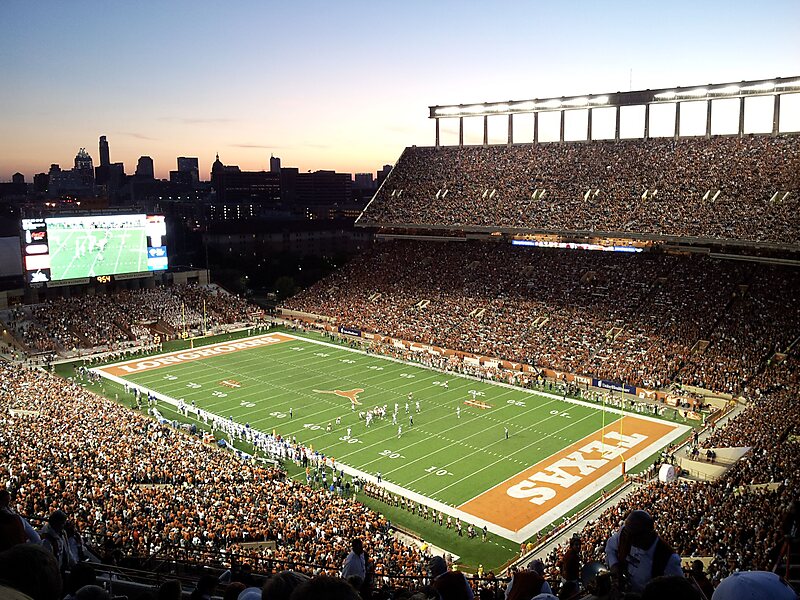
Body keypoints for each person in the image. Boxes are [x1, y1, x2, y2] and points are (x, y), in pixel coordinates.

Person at [605, 510, 683, 594]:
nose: (627, 538)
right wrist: (615, 568)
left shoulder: (668, 559)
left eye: (632, 536)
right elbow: (610, 548)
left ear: (646, 534)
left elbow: (679, 590)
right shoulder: (626, 532)